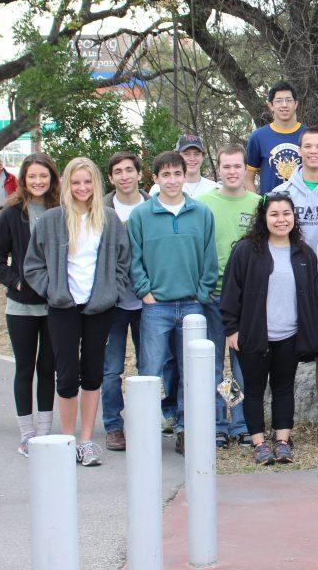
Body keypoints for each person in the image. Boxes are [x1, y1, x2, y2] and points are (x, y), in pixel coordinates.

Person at [23, 157, 132, 467]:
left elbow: (123, 262)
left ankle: (86, 440)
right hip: (63, 306)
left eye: (87, 182)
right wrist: (52, 289)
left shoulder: (109, 220)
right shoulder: (51, 221)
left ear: (96, 185)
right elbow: (33, 264)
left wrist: (113, 290)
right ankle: (68, 438)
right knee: (67, 374)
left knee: (94, 373)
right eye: (76, 182)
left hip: (99, 306)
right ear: (67, 185)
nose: (82, 188)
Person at [221, 193, 318, 465]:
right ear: (263, 218)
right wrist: (232, 329)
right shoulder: (246, 250)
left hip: (290, 335)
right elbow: (231, 292)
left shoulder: (304, 253)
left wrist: (313, 330)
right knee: (254, 389)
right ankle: (258, 443)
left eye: (286, 214)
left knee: (284, 388)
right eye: (274, 214)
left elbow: (317, 296)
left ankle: (282, 440)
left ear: (294, 217)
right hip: (254, 334)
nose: (281, 220)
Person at [128, 151, 218, 455]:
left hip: (192, 305)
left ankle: (184, 429)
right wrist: (144, 291)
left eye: (177, 174)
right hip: (157, 307)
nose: (172, 180)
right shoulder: (141, 215)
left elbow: (210, 258)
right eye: (165, 175)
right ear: (155, 179)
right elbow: (134, 257)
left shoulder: (201, 213)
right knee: (150, 369)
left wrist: (202, 292)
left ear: (185, 176)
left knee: (189, 372)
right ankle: (144, 428)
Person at [273, 127, 318, 446]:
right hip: (291, 281)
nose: (313, 151)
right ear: (298, 151)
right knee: (285, 350)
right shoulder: (282, 191)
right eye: (307, 146)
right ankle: (281, 423)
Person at [0, 153, 60, 455]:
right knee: (25, 367)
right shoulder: (11, 214)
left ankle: (44, 431)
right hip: (21, 305)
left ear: (52, 178)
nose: (38, 181)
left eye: (43, 176)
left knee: (48, 367)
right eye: (32, 176)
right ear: (23, 179)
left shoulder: (61, 210)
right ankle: (27, 433)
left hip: (55, 303)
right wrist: (16, 281)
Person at [198, 145, 261, 449]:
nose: (233, 172)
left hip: (245, 299)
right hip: (212, 295)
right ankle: (217, 424)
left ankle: (240, 423)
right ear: (218, 169)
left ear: (244, 168)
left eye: (238, 166)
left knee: (241, 365)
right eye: (227, 166)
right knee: (212, 364)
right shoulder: (202, 203)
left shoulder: (258, 203)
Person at [101, 151, 149, 452]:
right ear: (110, 178)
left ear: (139, 174)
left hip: (148, 300)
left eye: (129, 170)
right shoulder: (101, 208)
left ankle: (148, 421)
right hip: (113, 302)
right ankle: (113, 426)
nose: (124, 176)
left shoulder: (152, 205)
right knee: (111, 369)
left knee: (151, 365)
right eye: (117, 171)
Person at [245, 81, 306, 193]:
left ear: (296, 104)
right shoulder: (258, 137)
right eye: (279, 101)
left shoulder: (308, 135)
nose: (284, 105)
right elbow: (248, 178)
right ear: (271, 105)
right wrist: (258, 203)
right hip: (270, 208)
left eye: (288, 100)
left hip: (303, 208)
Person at [148, 135, 219, 198]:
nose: (192, 158)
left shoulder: (215, 188)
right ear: (177, 156)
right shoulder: (159, 188)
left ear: (202, 157)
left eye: (196, 154)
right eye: (186, 154)